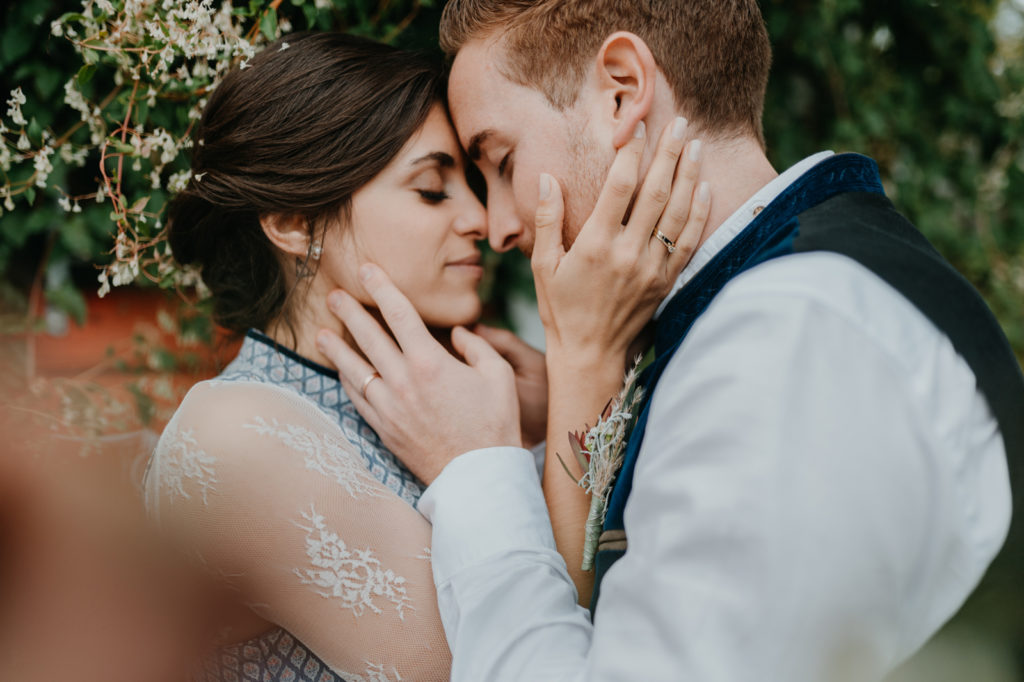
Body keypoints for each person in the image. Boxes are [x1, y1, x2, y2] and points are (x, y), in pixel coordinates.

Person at [317, 1, 1024, 680]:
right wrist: (576, 390)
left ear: (622, 92)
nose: (498, 227)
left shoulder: (782, 345)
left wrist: (476, 473)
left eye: (501, 162)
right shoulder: (813, 288)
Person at [145, 30, 710, 682]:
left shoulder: (469, 393)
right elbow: (522, 660)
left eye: (472, 182)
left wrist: (559, 409)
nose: (483, 220)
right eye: (432, 190)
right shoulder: (235, 440)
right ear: (293, 222)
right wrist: (583, 361)